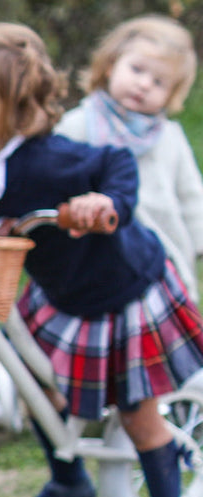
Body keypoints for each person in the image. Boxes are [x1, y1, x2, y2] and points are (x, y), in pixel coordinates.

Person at [0, 21, 203, 497]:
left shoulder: (45, 160)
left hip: (121, 289)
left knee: (138, 413)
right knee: (35, 379)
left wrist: (106, 202)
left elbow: (115, 164)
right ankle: (69, 480)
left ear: (19, 112)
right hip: (60, 290)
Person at [58, 14, 203, 304]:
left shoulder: (169, 137)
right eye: (137, 69)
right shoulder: (77, 125)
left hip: (164, 261)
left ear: (172, 93)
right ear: (111, 65)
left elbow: (191, 196)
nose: (144, 84)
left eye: (159, 82)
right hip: (96, 263)